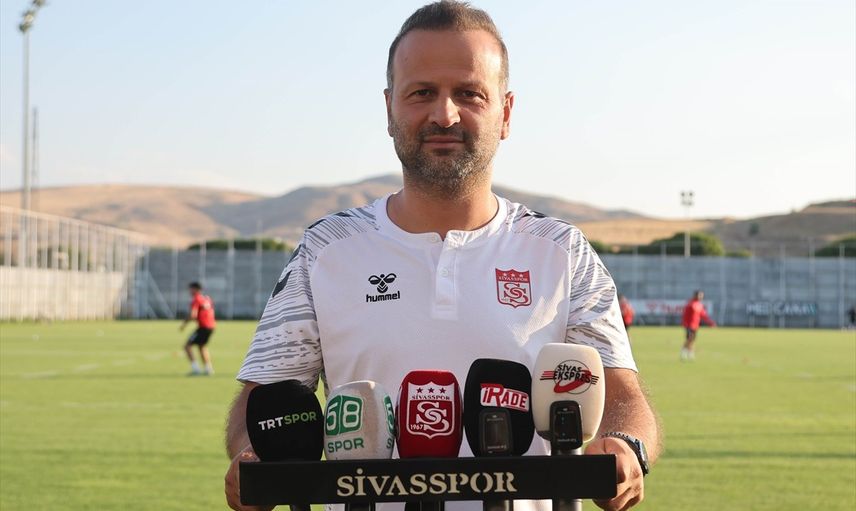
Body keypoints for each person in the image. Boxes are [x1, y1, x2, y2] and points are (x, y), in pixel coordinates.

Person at [225, 2, 661, 511]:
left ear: (506, 112)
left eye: (469, 93)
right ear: (389, 108)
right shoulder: (326, 249)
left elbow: (622, 396)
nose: (444, 114)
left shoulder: (562, 250)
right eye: (422, 93)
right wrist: (254, 458)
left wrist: (625, 447)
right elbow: (264, 402)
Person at [179, 281, 216, 375]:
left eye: (191, 289)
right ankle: (208, 369)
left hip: (203, 327)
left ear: (195, 289)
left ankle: (196, 369)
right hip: (211, 326)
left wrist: (184, 324)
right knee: (202, 346)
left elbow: (193, 315)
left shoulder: (196, 299)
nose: (189, 291)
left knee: (187, 346)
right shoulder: (207, 298)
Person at [680, 290, 716, 361]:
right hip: (689, 325)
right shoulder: (690, 304)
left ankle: (690, 353)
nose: (701, 297)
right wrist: (685, 323)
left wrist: (710, 322)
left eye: (702, 296)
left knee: (692, 340)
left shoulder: (699, 305)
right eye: (700, 295)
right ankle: (683, 352)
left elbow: (703, 315)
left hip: (695, 325)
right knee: (689, 339)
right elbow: (685, 315)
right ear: (695, 295)